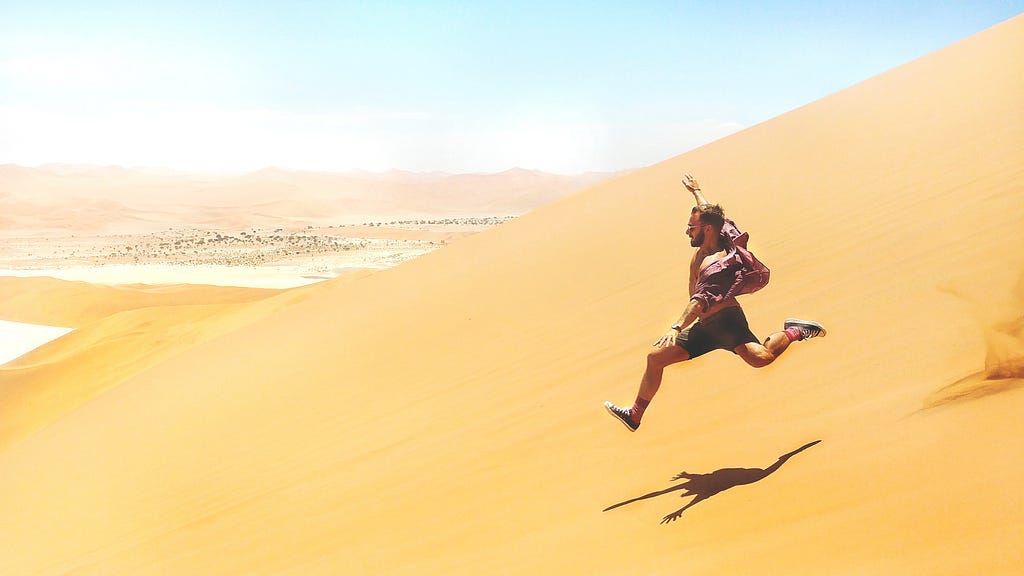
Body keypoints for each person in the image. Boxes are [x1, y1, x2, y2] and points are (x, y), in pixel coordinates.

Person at [604, 174, 826, 432]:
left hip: (727, 323)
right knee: (655, 358)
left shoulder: (716, 264)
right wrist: (696, 192)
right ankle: (635, 415)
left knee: (761, 358)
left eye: (691, 228)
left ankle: (795, 330)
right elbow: (713, 215)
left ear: (706, 230)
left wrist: (676, 327)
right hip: (705, 328)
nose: (687, 231)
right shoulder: (718, 232)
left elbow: (698, 302)